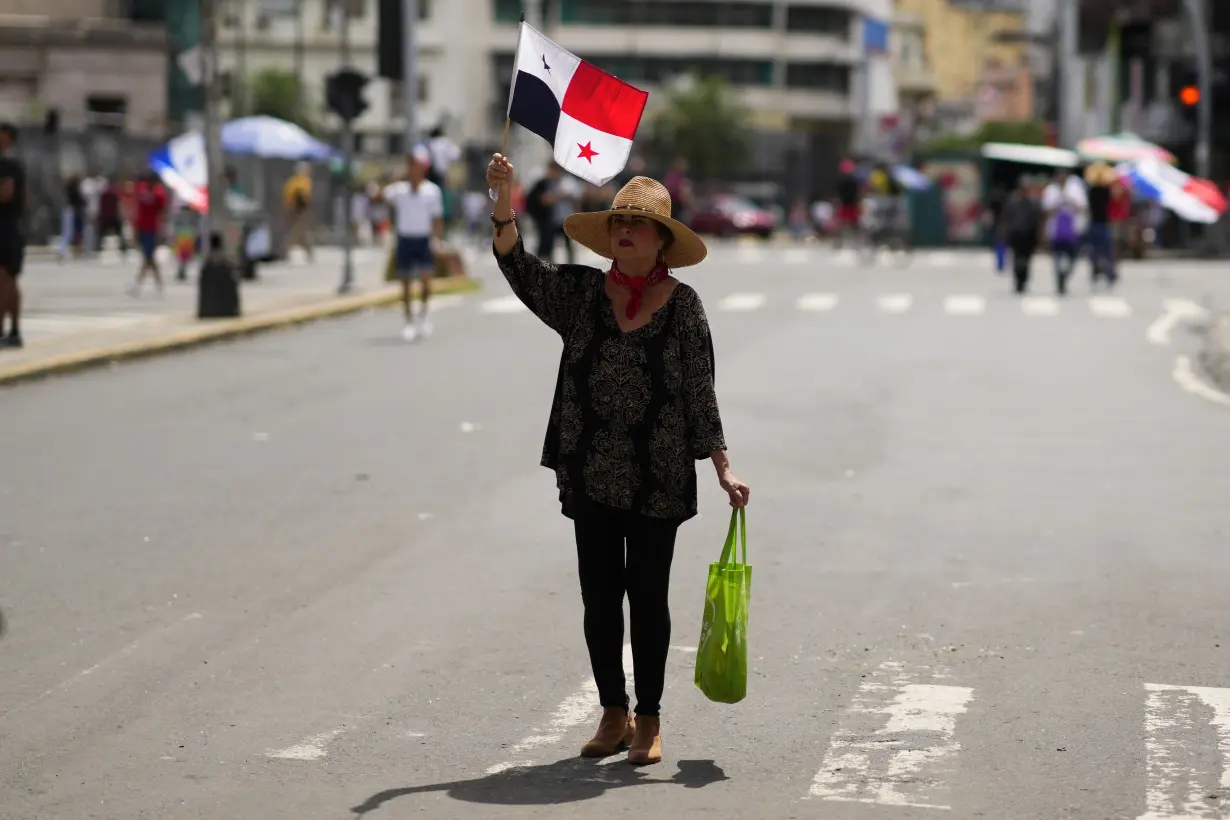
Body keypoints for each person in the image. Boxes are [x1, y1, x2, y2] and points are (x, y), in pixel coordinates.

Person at [486, 153, 751, 766]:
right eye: (618, 223)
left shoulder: (684, 306)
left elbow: (699, 390)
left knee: (647, 596)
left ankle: (649, 718)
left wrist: (722, 466)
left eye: (637, 224)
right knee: (599, 596)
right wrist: (504, 198)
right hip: (591, 468)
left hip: (658, 475)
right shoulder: (579, 293)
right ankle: (613, 711)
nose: (624, 231)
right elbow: (516, 264)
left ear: (661, 241)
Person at [383, 146, 444, 341]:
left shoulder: (432, 191)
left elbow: (437, 218)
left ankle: (423, 316)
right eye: (411, 165)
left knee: (426, 281)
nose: (414, 169)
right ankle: (408, 323)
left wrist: (436, 240)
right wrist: (396, 178)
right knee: (406, 283)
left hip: (423, 240)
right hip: (405, 239)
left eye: (417, 165)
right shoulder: (398, 190)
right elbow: (379, 196)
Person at [0, 123, 27, 348]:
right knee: (9, 279)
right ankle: (14, 330)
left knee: (4, 278)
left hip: (6, 226)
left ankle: (5, 331)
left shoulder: (7, 166)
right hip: (12, 225)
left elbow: (6, 194)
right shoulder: (15, 165)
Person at [1000, 175, 1043, 294]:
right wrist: (1004, 233)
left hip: (1029, 234)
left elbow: (1038, 219)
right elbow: (1006, 218)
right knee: (1017, 258)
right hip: (1016, 234)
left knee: (1027, 260)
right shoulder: (1013, 200)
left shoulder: (1033, 201)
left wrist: (1039, 236)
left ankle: (1024, 280)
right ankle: (1018, 280)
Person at [127, 172, 168, 298]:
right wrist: (135, 229)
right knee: (149, 259)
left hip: (153, 229)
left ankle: (138, 284)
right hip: (142, 228)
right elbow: (137, 211)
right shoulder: (142, 192)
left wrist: (162, 230)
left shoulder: (159, 195)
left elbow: (163, 213)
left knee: (148, 258)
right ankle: (158, 284)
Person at [1083, 162, 1117, 289]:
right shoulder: (1106, 191)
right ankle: (1109, 274)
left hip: (1093, 223)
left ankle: (1096, 273)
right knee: (1106, 251)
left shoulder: (1091, 190)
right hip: (1102, 224)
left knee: (1094, 252)